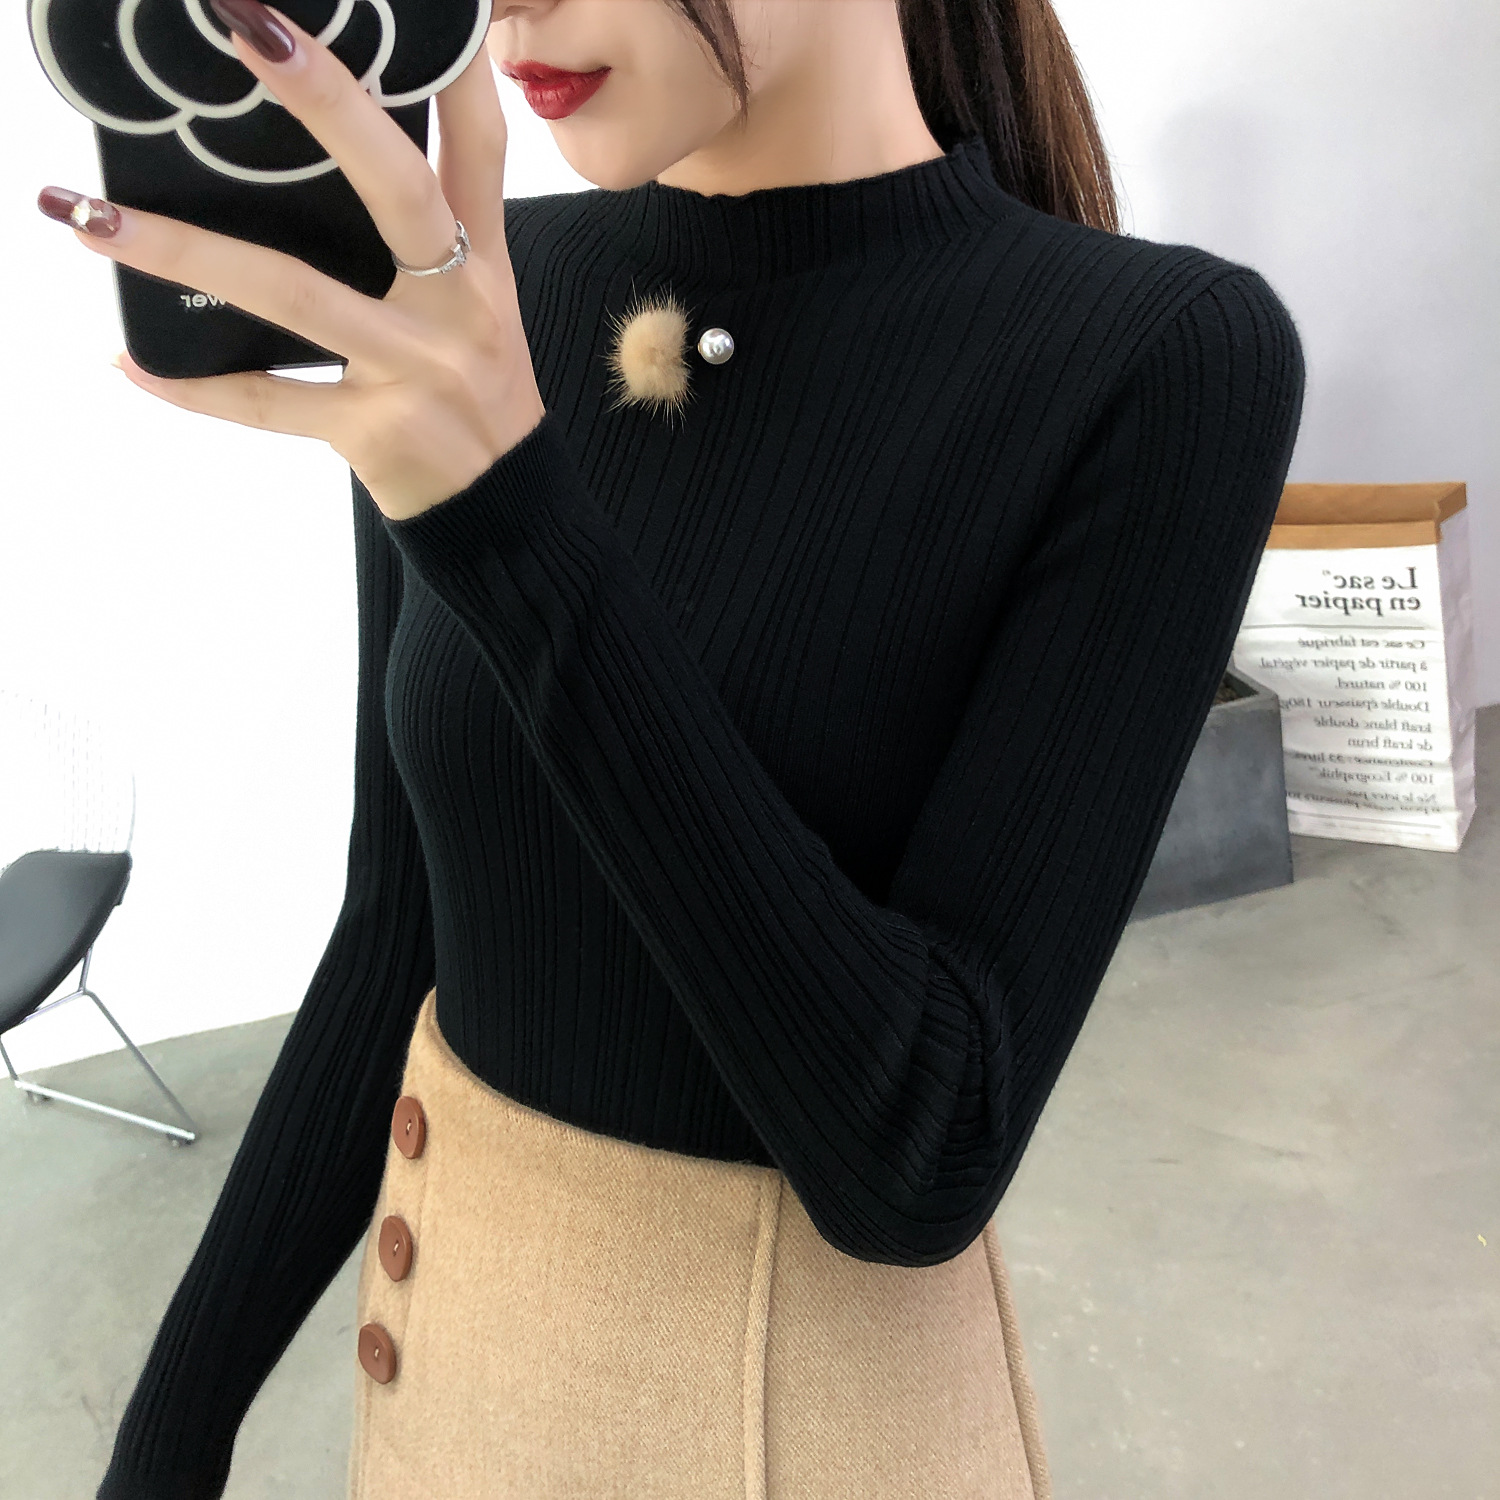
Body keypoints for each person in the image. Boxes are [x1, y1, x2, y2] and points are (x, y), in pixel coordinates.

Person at [43, 0, 1304, 1494]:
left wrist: (512, 527)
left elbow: (922, 1155)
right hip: (448, 1400)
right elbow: (398, 930)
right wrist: (169, 1441)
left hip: (792, 1441)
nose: (511, 8)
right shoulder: (486, 293)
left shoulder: (1161, 356)